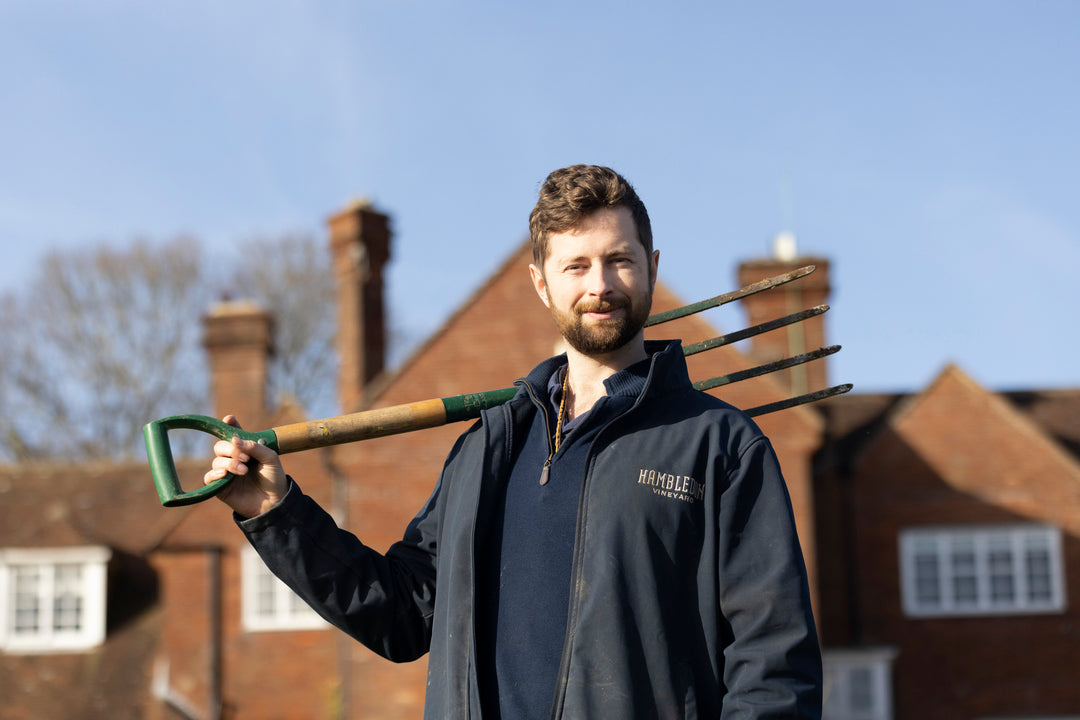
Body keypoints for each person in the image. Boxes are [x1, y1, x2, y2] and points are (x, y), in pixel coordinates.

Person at [205, 164, 823, 719]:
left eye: (620, 260)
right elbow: (402, 615)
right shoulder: (487, 450)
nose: (599, 284)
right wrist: (276, 512)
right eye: (575, 266)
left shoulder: (720, 448)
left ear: (652, 268)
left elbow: (773, 669)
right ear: (541, 284)